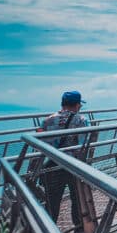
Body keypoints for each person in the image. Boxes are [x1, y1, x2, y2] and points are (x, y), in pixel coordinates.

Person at [39, 91, 90, 225]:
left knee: (52, 201)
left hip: (52, 164)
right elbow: (83, 144)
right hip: (73, 165)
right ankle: (79, 225)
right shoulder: (81, 120)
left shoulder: (46, 120)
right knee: (78, 197)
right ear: (77, 104)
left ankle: (48, 230)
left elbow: (40, 144)